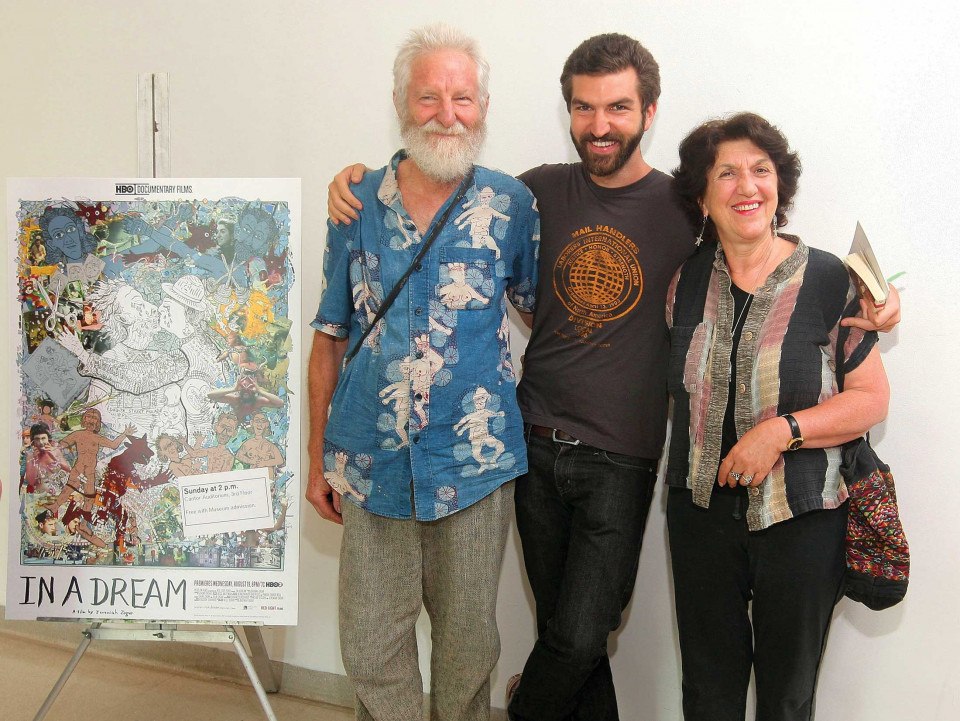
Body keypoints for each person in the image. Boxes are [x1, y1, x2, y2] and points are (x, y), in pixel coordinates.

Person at [327, 34, 900, 721]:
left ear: (648, 111)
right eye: (585, 107)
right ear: (568, 111)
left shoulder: (686, 207)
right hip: (533, 445)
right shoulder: (528, 193)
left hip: (623, 457)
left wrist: (877, 300)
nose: (600, 125)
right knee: (583, 647)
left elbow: (765, 248)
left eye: (619, 107)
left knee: (576, 634)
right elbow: (449, 199)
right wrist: (355, 179)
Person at [306, 23, 539, 721]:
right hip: (370, 461)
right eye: (429, 96)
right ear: (403, 104)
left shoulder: (511, 206)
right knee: (371, 641)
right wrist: (316, 455)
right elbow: (328, 337)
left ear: (484, 107)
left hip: (474, 463)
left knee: (468, 646)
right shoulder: (356, 204)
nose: (446, 112)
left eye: (462, 97)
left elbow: (550, 312)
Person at [665, 112, 890, 721]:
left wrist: (781, 431)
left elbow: (870, 397)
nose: (747, 187)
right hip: (700, 517)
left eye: (761, 171)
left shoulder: (828, 280)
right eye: (728, 174)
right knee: (707, 694)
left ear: (780, 186)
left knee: (788, 698)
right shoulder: (681, 282)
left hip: (803, 517)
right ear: (703, 196)